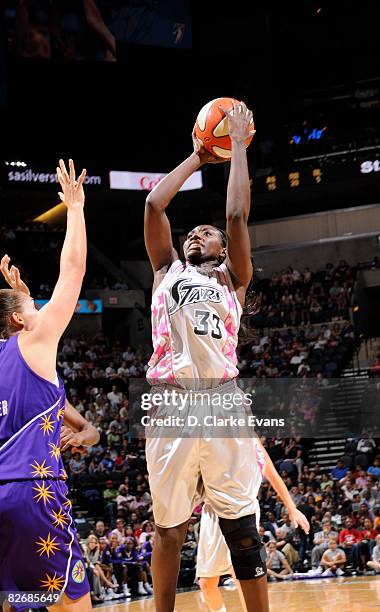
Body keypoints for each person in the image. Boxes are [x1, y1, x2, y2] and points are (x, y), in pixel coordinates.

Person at [144, 101, 270, 612]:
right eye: (191, 233)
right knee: (168, 530)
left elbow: (237, 213)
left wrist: (237, 143)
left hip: (222, 402)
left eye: (207, 233)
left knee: (241, 526)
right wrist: (198, 157)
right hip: (170, 404)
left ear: (224, 248)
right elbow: (155, 206)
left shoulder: (233, 278)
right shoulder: (164, 271)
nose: (196, 233)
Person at [0, 160, 95, 611]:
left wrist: (18, 295)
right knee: (72, 603)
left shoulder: (12, 348)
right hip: (32, 495)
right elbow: (72, 272)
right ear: (19, 320)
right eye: (29, 304)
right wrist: (74, 208)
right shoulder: (33, 341)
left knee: (22, 600)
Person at [196, 438, 309, 611]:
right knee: (206, 582)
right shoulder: (203, 432)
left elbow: (271, 473)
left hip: (241, 509)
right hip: (212, 512)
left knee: (241, 573)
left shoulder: (248, 437)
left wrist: (292, 508)